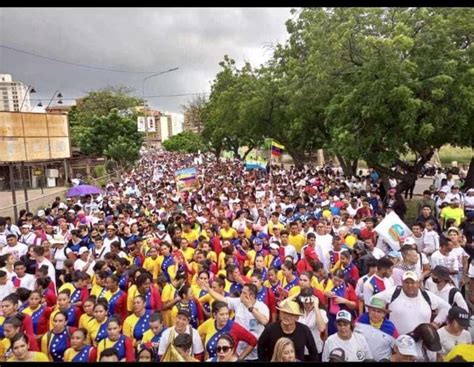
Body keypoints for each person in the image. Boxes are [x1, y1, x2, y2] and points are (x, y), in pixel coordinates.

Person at [197, 279, 269, 361]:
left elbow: (264, 321)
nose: (241, 294)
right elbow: (222, 299)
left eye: (244, 293)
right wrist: (209, 290)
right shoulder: (238, 302)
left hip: (255, 353)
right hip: (238, 351)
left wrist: (250, 308)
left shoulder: (262, 307)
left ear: (251, 296)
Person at [373, 271, 450, 334]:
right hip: (396, 341)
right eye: (406, 282)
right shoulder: (394, 292)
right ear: (402, 283)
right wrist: (380, 317)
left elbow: (446, 307)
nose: (410, 285)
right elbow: (374, 299)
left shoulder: (427, 295)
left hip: (421, 341)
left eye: (413, 283)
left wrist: (436, 323)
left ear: (418, 283)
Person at [297, 287, 328, 360]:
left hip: (315, 349)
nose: (308, 305)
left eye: (310, 303)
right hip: (299, 348)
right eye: (305, 302)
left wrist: (316, 307)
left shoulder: (321, 312)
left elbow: (322, 328)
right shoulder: (297, 310)